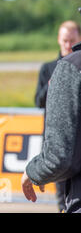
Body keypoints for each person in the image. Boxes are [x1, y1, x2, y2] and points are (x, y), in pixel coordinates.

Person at [22, 41, 81, 213]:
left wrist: (32, 172)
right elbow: (38, 100)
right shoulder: (53, 67)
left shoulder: (73, 65)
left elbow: (59, 157)